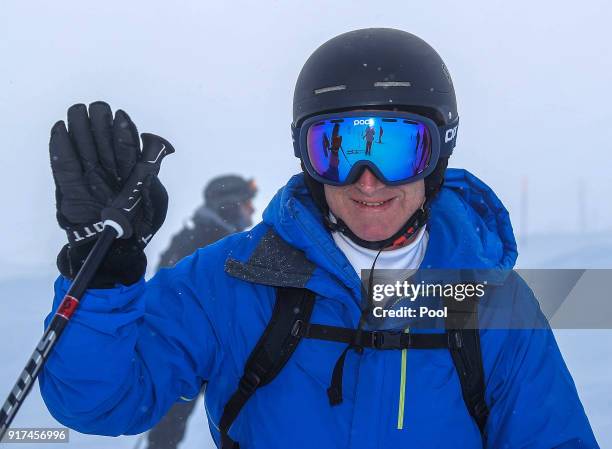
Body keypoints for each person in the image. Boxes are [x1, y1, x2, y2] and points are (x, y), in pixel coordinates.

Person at [41, 28, 598, 448]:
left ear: (438, 156)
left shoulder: (491, 303)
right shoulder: (232, 283)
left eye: (398, 149)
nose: (368, 180)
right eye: (337, 150)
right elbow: (99, 401)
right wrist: (103, 273)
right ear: (306, 159)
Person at [147, 175, 256, 449]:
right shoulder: (217, 246)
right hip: (191, 355)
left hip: (190, 354)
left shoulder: (197, 237)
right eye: (246, 203)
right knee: (170, 430)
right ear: (229, 205)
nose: (252, 211)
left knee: (168, 430)